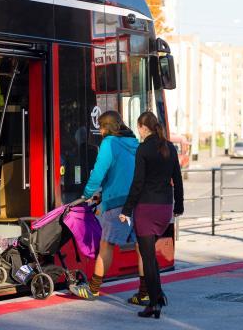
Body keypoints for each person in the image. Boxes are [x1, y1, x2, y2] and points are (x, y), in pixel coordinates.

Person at [119, 112, 184, 319]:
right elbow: (178, 179)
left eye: (138, 127)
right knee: (150, 255)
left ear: (142, 127)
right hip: (165, 208)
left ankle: (154, 304)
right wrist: (179, 205)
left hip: (146, 208)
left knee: (147, 257)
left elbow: (138, 183)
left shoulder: (143, 149)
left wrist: (127, 209)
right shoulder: (169, 148)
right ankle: (159, 294)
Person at [74, 111, 139, 300]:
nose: (100, 131)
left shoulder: (109, 143)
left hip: (117, 202)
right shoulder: (134, 142)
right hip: (137, 201)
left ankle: (93, 289)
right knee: (142, 248)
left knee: (106, 245)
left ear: (106, 127)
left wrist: (87, 194)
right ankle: (144, 292)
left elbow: (98, 172)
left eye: (101, 127)